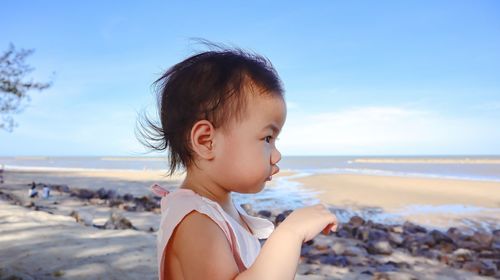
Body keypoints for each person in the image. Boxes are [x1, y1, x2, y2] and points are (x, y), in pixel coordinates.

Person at [139, 44, 338, 280]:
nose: (277, 155)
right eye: (267, 138)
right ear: (206, 142)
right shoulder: (196, 222)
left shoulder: (218, 208)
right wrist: (290, 233)